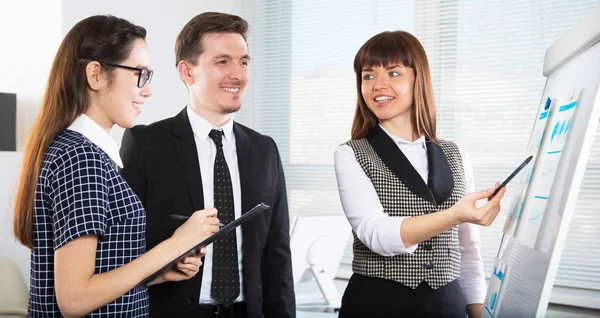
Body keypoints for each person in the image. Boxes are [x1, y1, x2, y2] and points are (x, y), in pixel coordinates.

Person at [12, 15, 220, 317]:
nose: (147, 90)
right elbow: (75, 298)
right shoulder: (80, 159)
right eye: (140, 74)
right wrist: (176, 245)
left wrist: (158, 273)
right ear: (95, 75)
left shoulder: (83, 153)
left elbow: (100, 275)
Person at [119, 12, 295, 318]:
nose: (238, 74)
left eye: (243, 61)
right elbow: (120, 247)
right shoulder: (145, 144)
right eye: (222, 61)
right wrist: (166, 262)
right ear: (187, 71)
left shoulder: (264, 149)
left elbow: (277, 255)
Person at [333, 30, 508, 318]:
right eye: (368, 76)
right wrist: (455, 214)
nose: (379, 85)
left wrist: (478, 313)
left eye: (393, 73)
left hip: (448, 305)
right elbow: (375, 233)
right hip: (378, 305)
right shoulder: (352, 154)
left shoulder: (457, 155)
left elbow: (467, 251)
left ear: (419, 79)